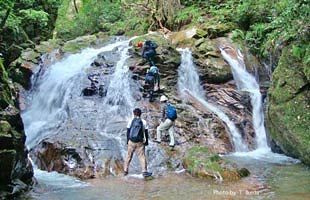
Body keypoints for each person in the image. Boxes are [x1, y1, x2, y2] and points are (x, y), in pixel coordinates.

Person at [124, 108, 152, 177]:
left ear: (134, 114)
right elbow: (146, 133)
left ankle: (125, 171)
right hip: (140, 142)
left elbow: (128, 131)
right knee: (142, 156)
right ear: (140, 114)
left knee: (128, 156)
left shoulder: (130, 121)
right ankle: (144, 171)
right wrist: (146, 142)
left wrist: (128, 141)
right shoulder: (144, 122)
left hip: (131, 141)